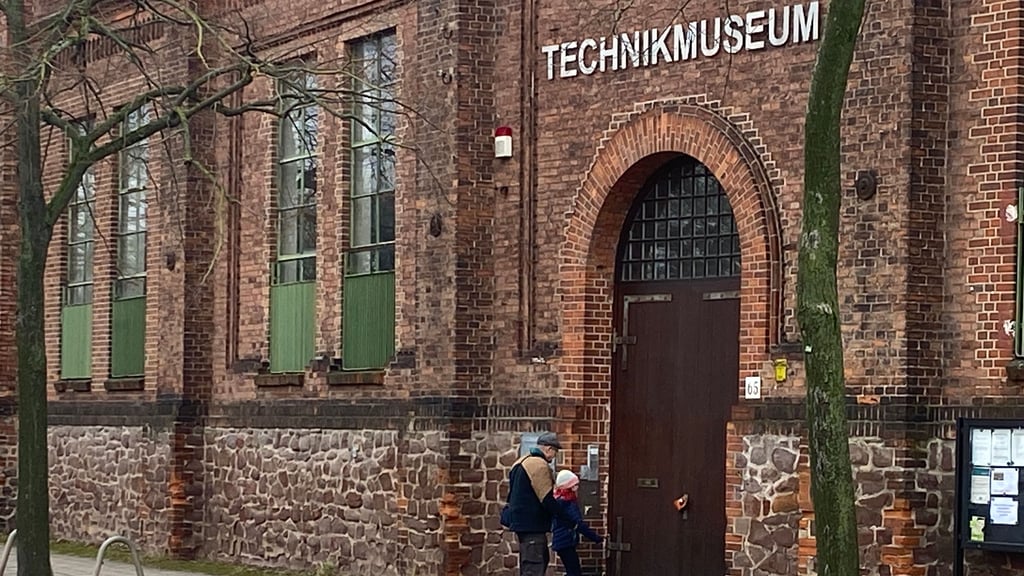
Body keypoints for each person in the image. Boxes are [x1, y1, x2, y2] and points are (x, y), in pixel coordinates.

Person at [505, 432, 575, 576]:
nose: (554, 456)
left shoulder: (520, 462)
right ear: (548, 449)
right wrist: (566, 518)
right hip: (533, 524)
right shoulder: (539, 465)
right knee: (534, 565)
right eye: (554, 452)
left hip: (521, 523)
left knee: (534, 560)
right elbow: (546, 499)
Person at [551, 470, 602, 576]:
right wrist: (596, 538)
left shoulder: (558, 501)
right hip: (566, 541)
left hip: (561, 541)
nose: (577, 488)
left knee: (572, 570)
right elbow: (579, 524)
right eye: (575, 485)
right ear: (569, 487)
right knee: (574, 572)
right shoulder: (568, 503)